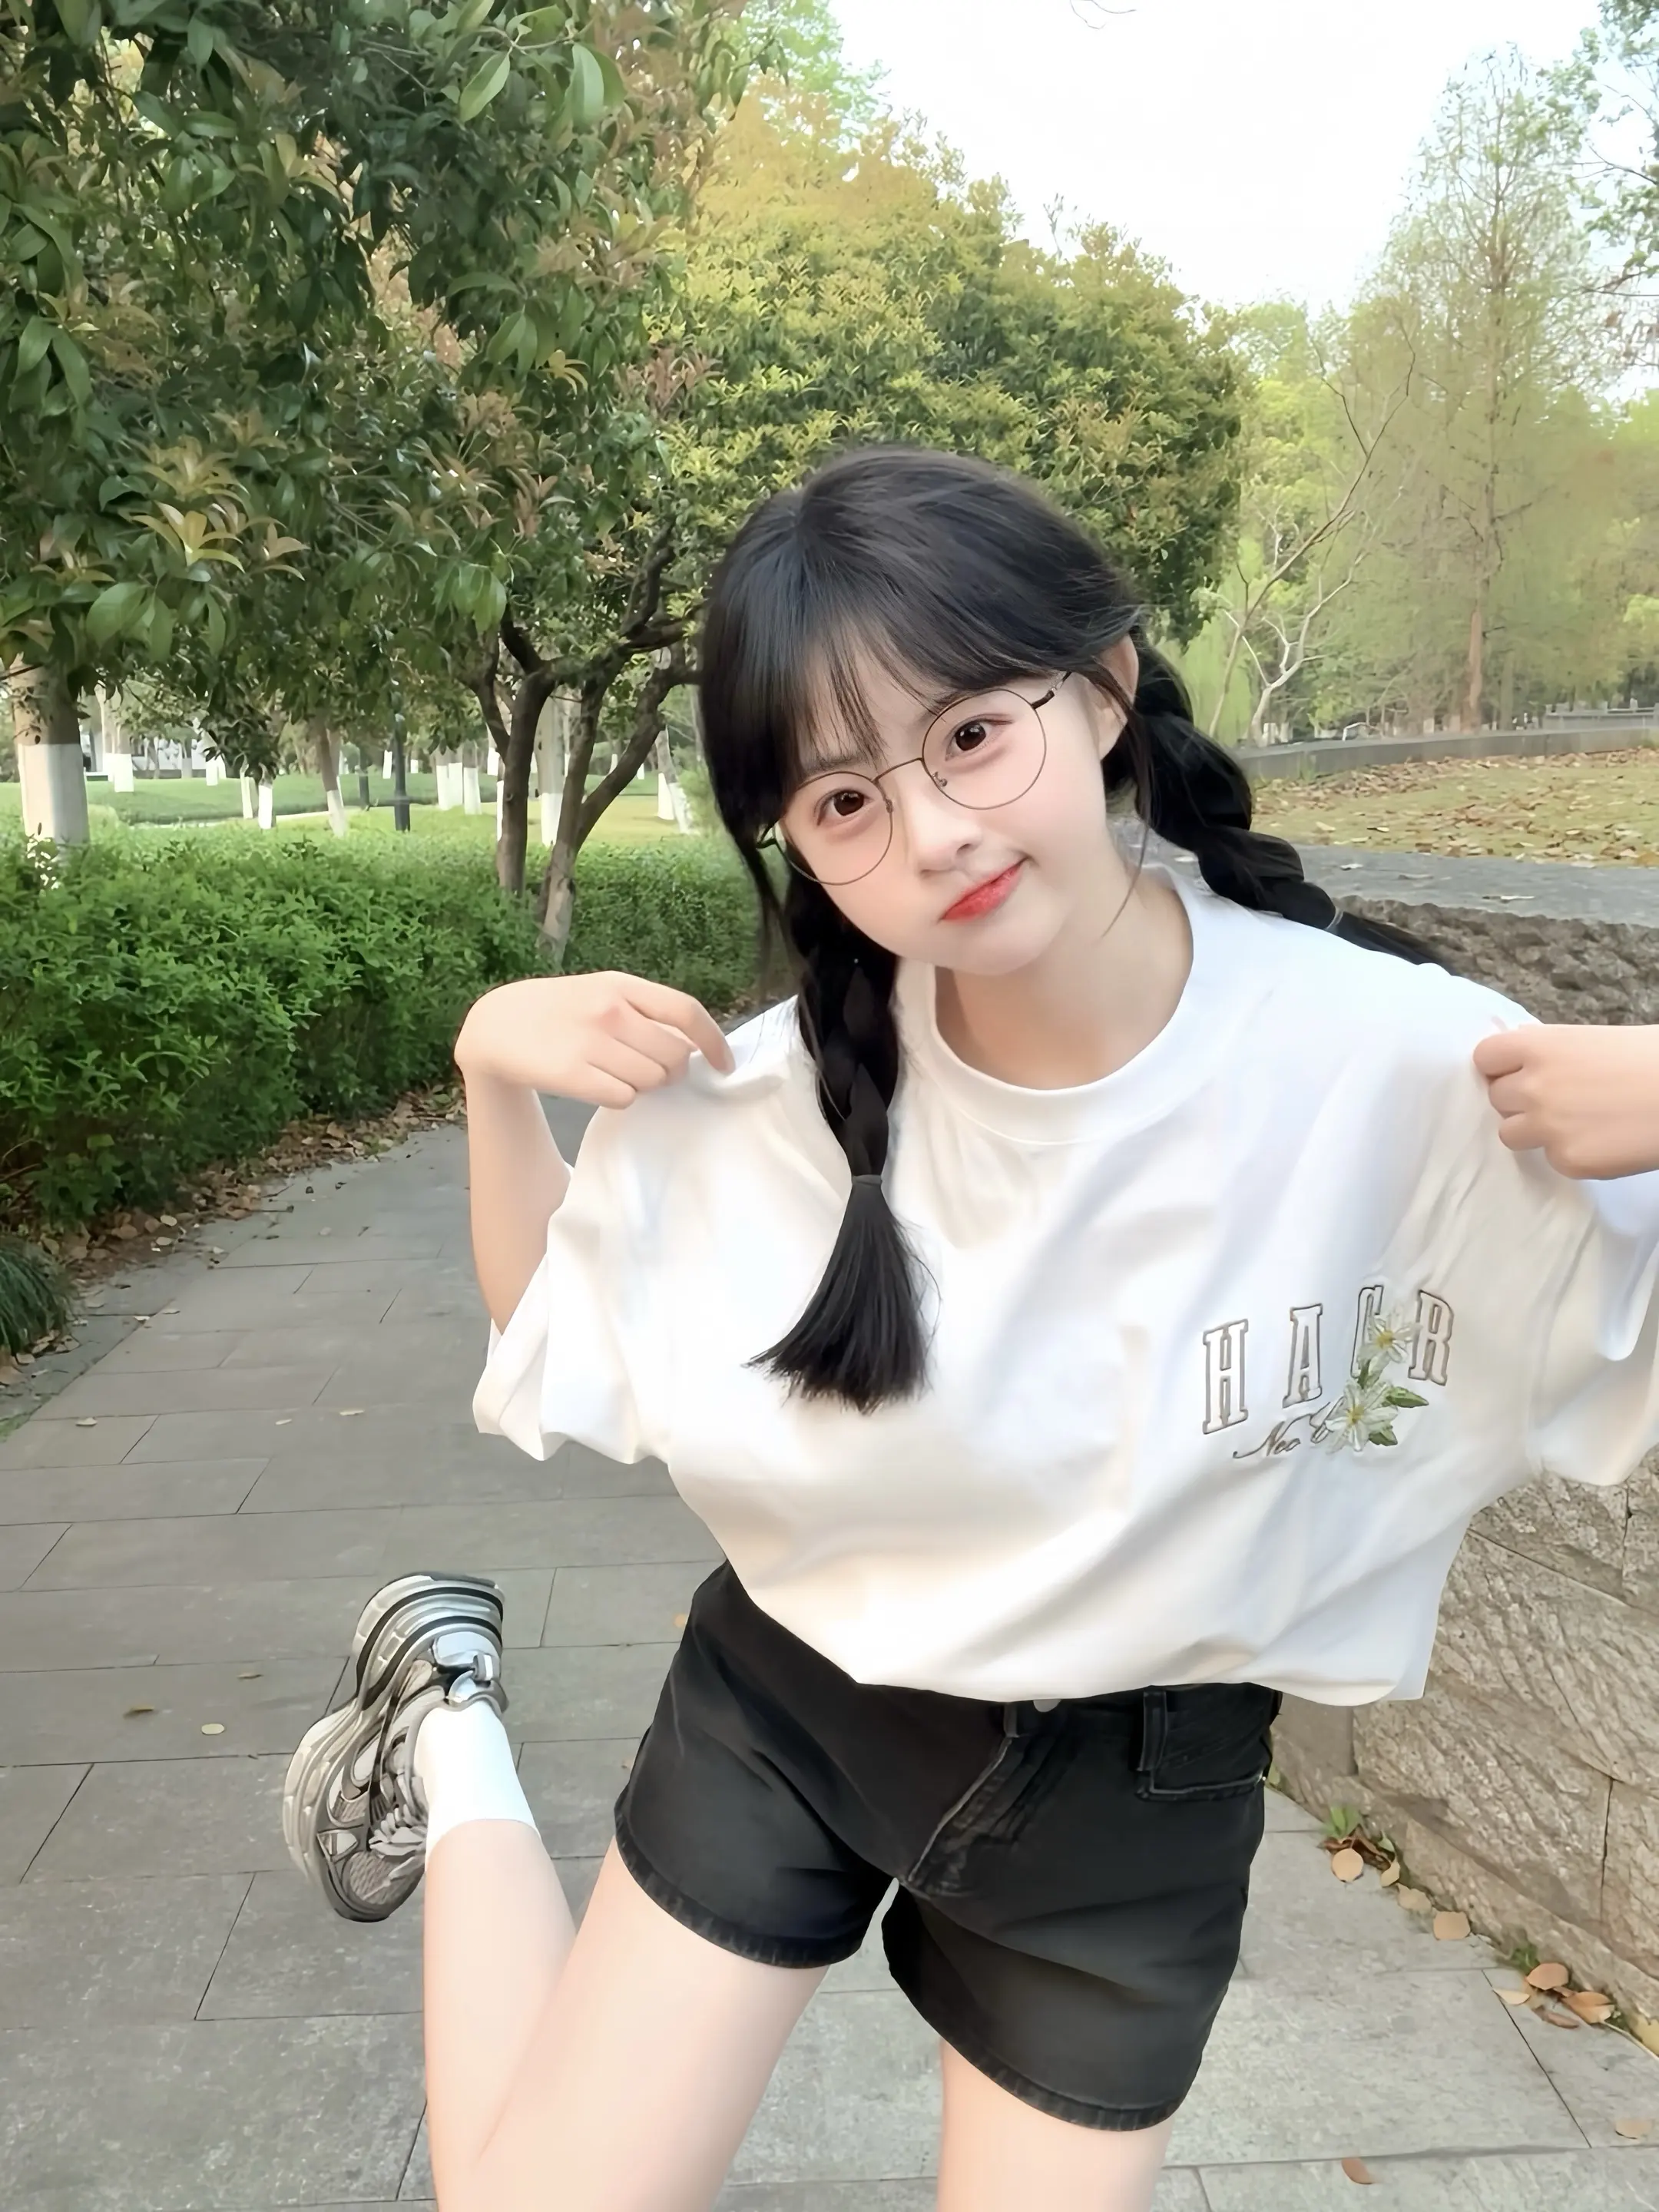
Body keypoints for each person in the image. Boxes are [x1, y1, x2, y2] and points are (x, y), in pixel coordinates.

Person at [283, 446, 1659, 2212]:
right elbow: (551, 1332)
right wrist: (492, 1073)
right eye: (844, 801)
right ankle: (453, 1717)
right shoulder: (776, 1097)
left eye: (973, 737)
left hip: (1132, 1806)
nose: (933, 832)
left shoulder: (1400, 1066)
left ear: (1101, 690)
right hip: (797, 1705)